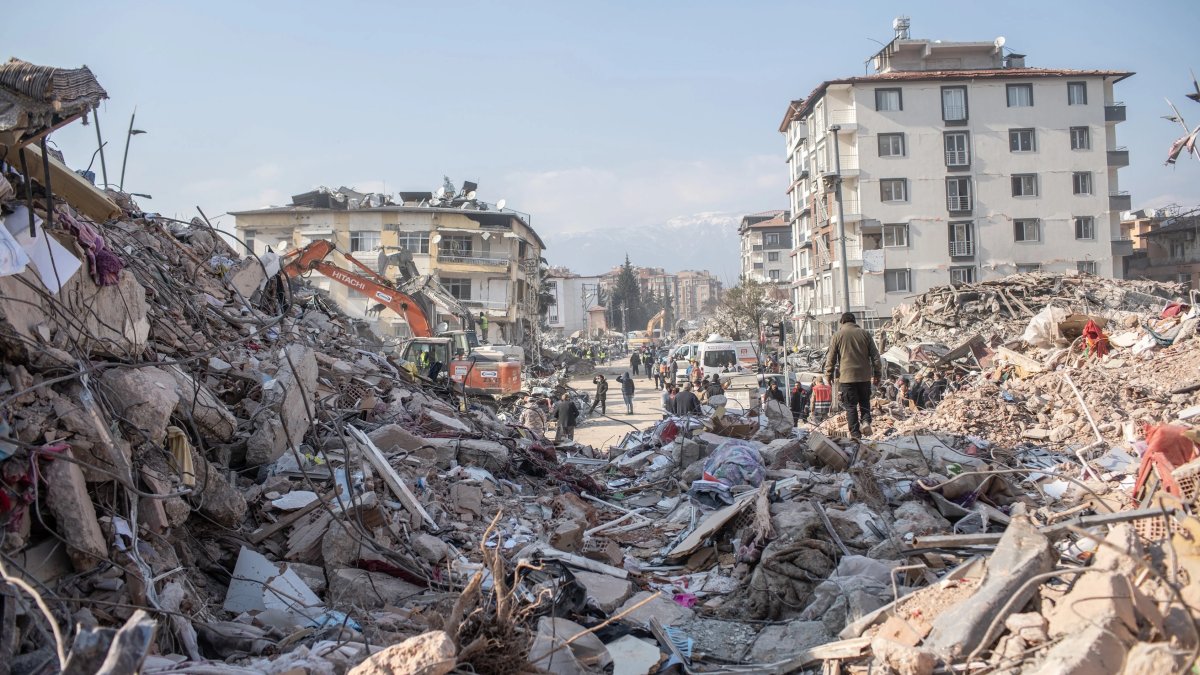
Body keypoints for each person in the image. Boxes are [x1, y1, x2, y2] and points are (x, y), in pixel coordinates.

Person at [824, 312, 882, 439]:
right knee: (864, 402)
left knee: (850, 406)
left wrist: (828, 375)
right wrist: (877, 373)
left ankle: (855, 435)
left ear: (842, 322)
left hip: (847, 378)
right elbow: (876, 356)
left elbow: (831, 358)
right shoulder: (865, 334)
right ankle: (865, 422)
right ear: (854, 321)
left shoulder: (837, 335)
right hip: (864, 377)